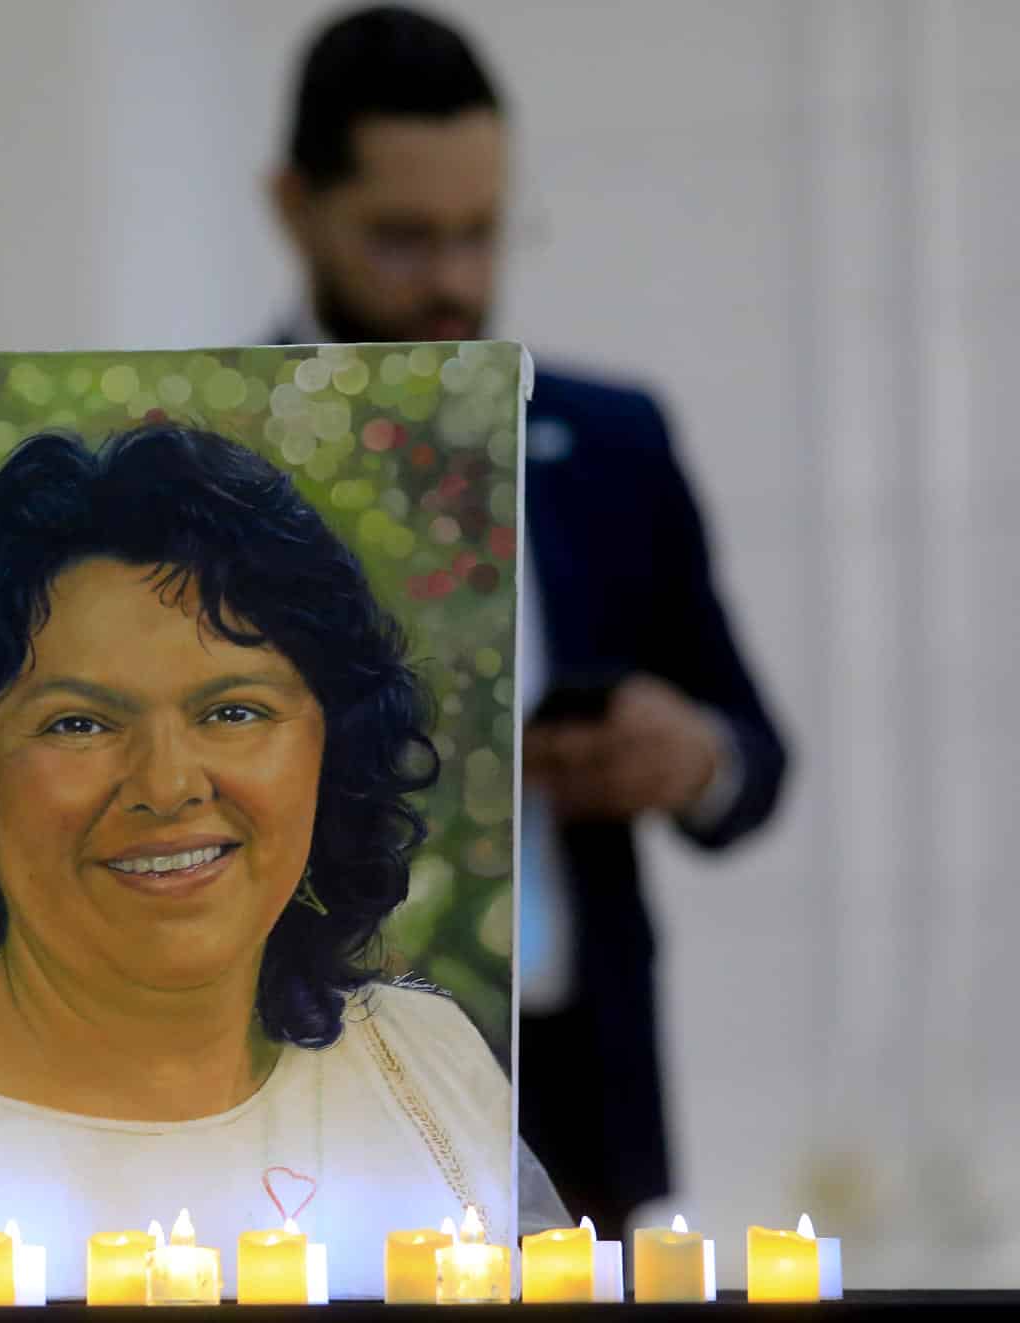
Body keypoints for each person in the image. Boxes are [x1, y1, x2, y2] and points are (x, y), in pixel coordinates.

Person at [0, 424, 563, 1299]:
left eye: (235, 711)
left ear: (331, 755)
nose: (168, 785)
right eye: (79, 723)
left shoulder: (424, 1063)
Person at [267, 6, 789, 1235]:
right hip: (294, 1070)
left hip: (568, 1064)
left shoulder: (610, 443)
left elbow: (758, 757)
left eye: (480, 234)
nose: (453, 280)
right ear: (296, 207)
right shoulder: (200, 455)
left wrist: (690, 755)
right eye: (402, 239)